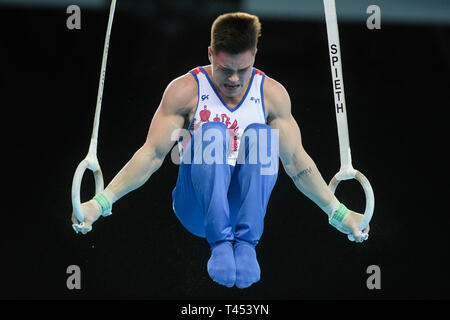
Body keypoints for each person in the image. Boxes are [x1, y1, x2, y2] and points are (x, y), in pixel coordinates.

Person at [71, 12, 370, 289]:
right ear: (211, 53)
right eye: (225, 69)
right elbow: (151, 155)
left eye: (242, 69)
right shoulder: (185, 91)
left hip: (243, 206)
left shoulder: (272, 96)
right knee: (212, 132)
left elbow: (296, 164)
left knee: (263, 137)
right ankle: (220, 245)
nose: (234, 79)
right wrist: (100, 202)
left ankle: (245, 246)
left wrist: (341, 213)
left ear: (254, 54)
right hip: (196, 206)